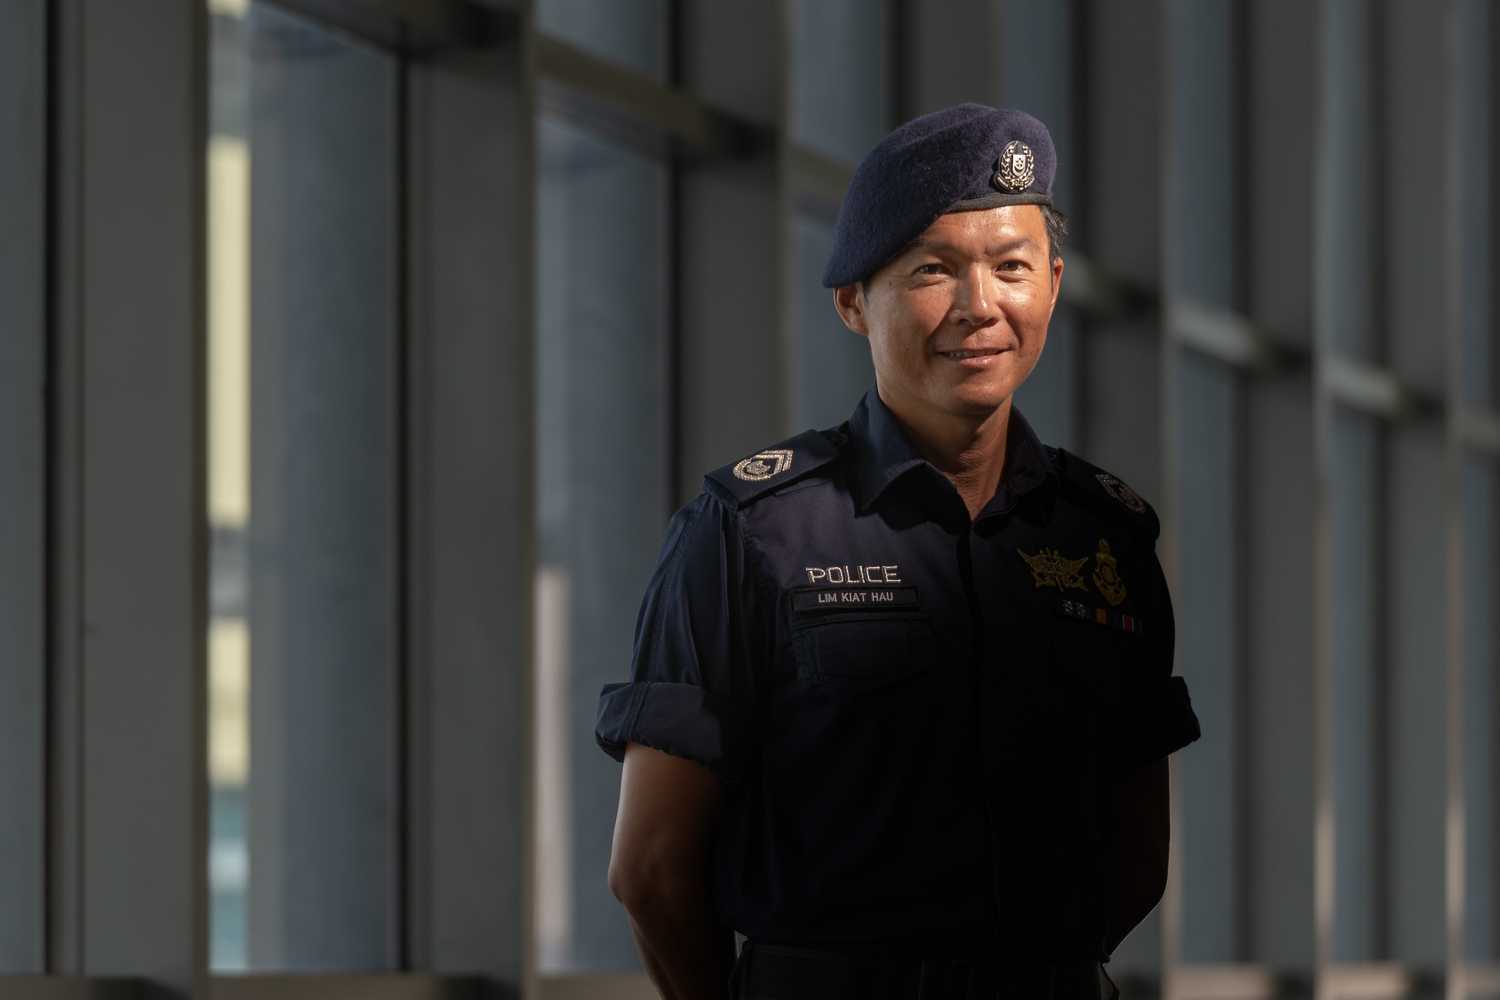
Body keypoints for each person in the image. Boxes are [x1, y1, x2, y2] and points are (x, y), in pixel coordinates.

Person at [595, 103, 1202, 1000]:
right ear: (852, 303)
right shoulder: (751, 531)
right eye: (932, 271)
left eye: (1011, 268)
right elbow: (649, 868)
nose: (980, 306)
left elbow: (1136, 851)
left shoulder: (1105, 536)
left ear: (1055, 285)